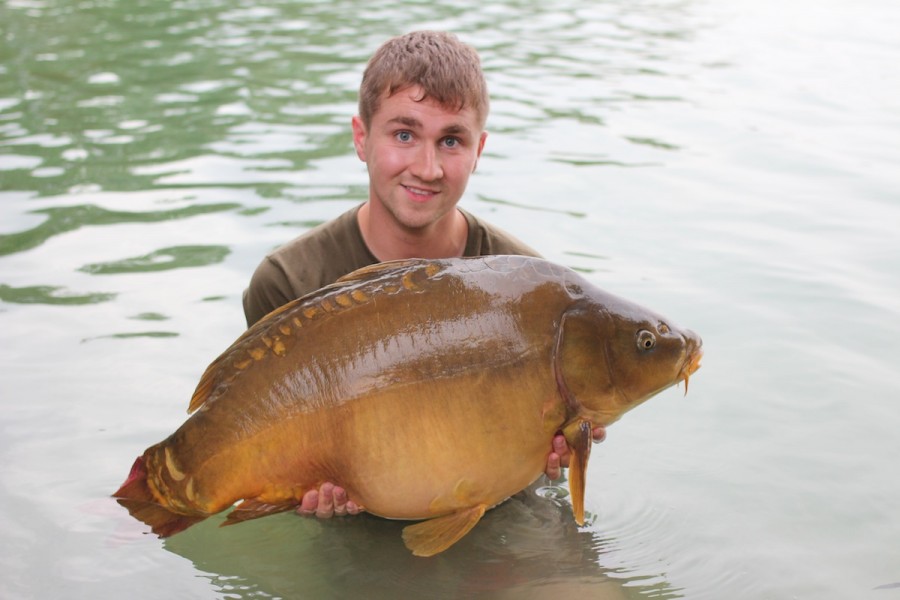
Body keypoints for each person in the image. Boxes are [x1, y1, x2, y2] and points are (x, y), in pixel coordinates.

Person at [242, 30, 605, 518]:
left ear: (479, 150)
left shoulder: (532, 291)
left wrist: (557, 445)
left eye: (451, 140)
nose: (427, 167)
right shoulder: (287, 280)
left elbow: (542, 452)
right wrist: (295, 486)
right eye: (404, 135)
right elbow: (261, 437)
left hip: (492, 518)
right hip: (348, 532)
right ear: (360, 137)